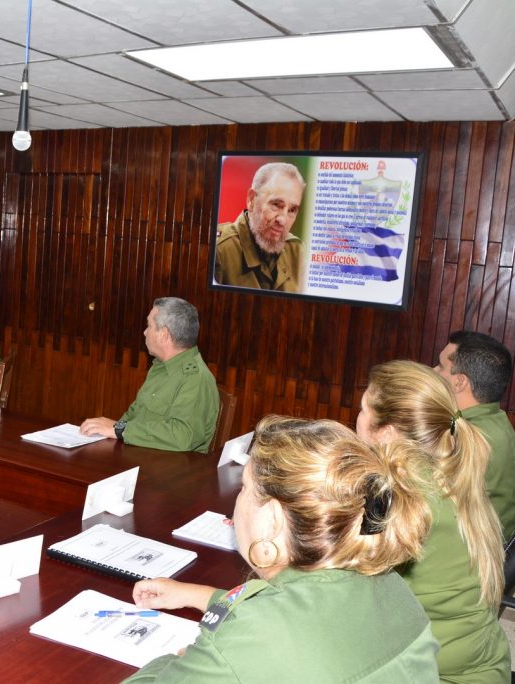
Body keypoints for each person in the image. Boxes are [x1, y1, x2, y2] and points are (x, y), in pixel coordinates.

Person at [124, 415, 439, 682]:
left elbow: (262, 632)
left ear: (272, 519)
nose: (238, 499)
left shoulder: (255, 638)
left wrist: (175, 662)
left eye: (245, 488)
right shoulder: (390, 586)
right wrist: (192, 595)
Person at [358, 360, 509, 683]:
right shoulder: (451, 470)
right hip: (481, 662)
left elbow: (342, 578)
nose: (354, 419)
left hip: (434, 672)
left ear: (386, 432)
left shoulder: (393, 493)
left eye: (362, 411)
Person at [80, 297, 218, 453]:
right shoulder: (160, 367)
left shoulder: (195, 378)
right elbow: (134, 414)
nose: (145, 332)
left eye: (149, 325)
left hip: (171, 471)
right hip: (140, 456)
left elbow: (183, 436)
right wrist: (109, 430)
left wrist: (120, 429)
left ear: (164, 334)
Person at [434, 331, 515, 541]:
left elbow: (427, 500)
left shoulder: (467, 438)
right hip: (491, 538)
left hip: (472, 551)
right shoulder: (496, 419)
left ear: (459, 382)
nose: (433, 371)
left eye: (440, 366)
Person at [214, 162, 305, 292]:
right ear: (252, 200)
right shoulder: (219, 251)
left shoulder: (298, 251)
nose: (283, 220)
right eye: (276, 204)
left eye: (292, 210)